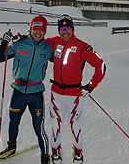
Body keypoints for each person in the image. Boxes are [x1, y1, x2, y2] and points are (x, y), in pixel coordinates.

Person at [44, 14, 106, 164]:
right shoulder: (54, 42)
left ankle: (78, 155)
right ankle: (56, 154)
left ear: (72, 29)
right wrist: (22, 38)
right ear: (59, 30)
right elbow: (37, 39)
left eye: (68, 28)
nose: (65, 31)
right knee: (55, 128)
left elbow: (101, 65)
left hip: (74, 96)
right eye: (62, 28)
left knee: (75, 127)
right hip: (56, 94)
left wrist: (90, 86)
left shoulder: (82, 46)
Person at [0, 14, 53, 164]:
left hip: (36, 94)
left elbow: (63, 63)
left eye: (42, 29)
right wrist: (3, 43)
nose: (38, 32)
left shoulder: (48, 48)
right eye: (35, 29)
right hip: (19, 92)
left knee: (39, 127)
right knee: (13, 122)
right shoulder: (19, 44)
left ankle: (45, 156)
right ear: (30, 29)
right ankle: (11, 146)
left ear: (45, 31)